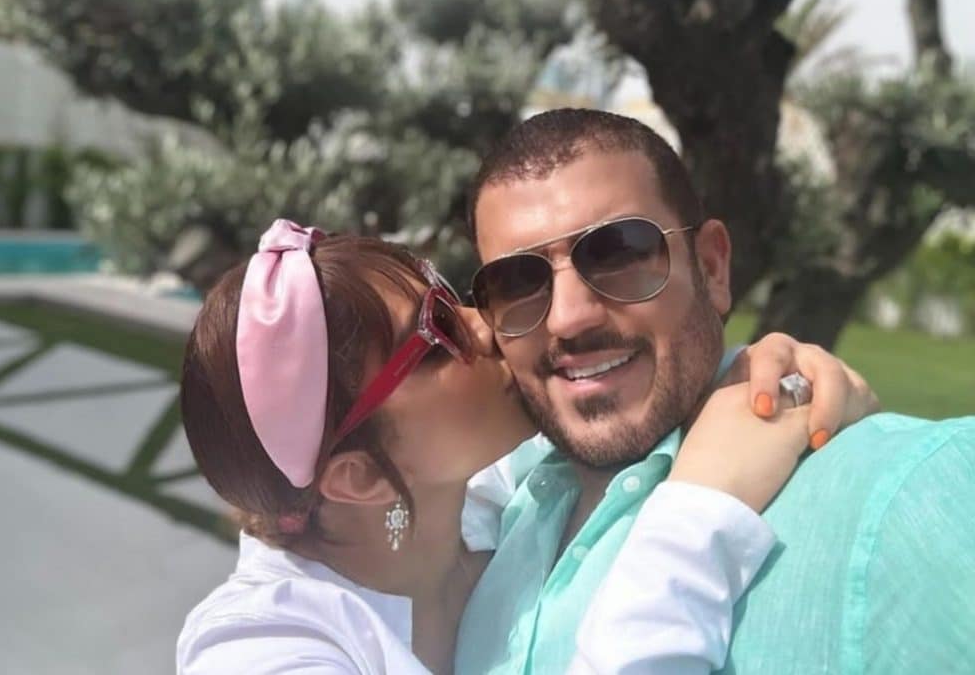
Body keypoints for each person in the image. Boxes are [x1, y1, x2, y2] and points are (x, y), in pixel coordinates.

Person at [176, 219, 872, 674]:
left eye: (450, 295)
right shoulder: (258, 649)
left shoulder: (509, 496)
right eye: (437, 337)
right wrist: (698, 518)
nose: (487, 326)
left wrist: (765, 375)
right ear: (358, 477)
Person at [458, 108, 975, 675]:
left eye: (618, 252)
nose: (568, 317)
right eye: (516, 282)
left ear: (711, 267)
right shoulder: (480, 524)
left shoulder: (914, 488)